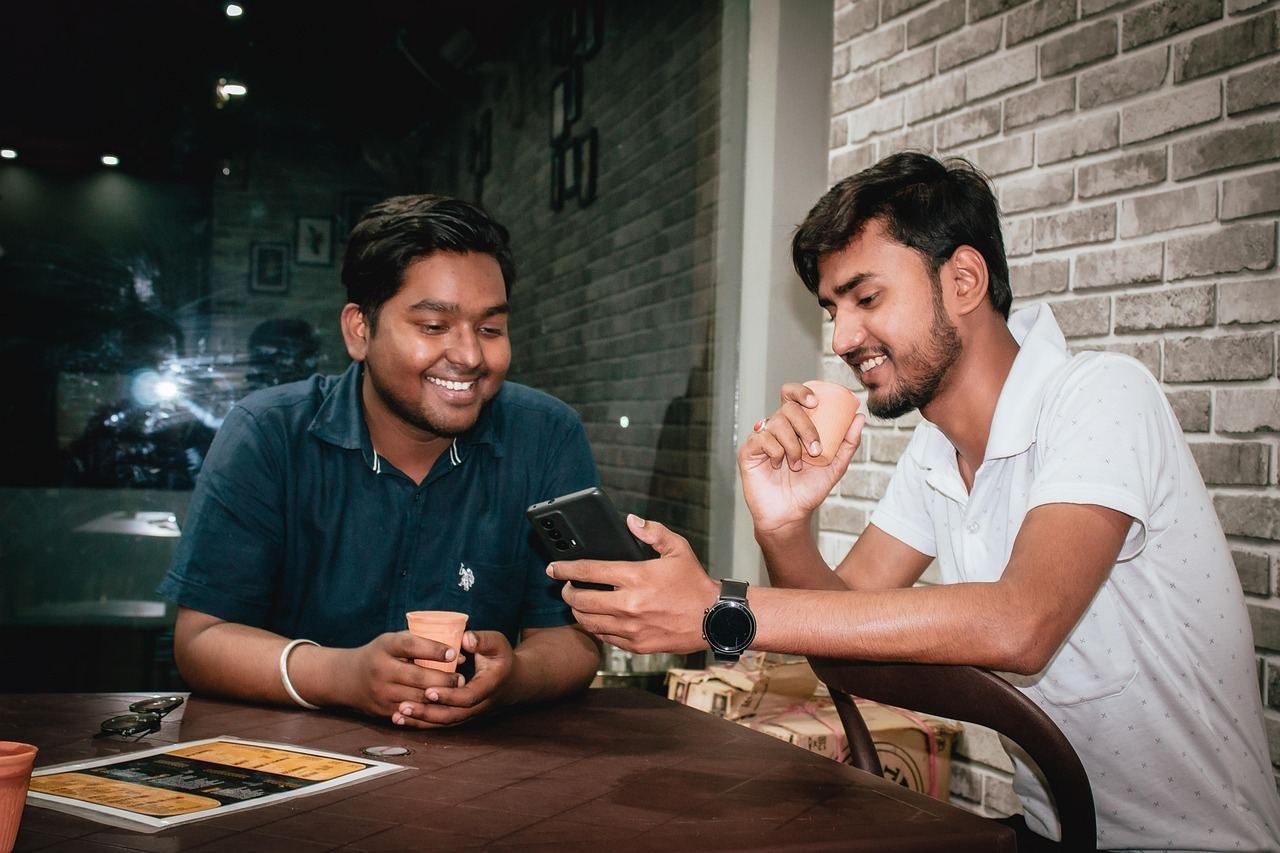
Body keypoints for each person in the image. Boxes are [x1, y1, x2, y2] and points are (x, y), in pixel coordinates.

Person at [549, 152, 1280, 850]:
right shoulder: (936, 451)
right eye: (832, 308)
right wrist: (784, 526)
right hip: (1054, 831)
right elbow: (836, 640)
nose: (841, 338)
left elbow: (1020, 621)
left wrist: (718, 607)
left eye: (865, 298)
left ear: (964, 278)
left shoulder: (1101, 395)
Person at [160, 195, 602, 728]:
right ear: (359, 330)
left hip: (484, 773)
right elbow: (202, 639)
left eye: (490, 329)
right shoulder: (270, 433)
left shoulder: (547, 436)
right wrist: (342, 676)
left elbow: (574, 639)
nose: (469, 356)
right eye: (434, 326)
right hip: (292, 760)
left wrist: (513, 679)